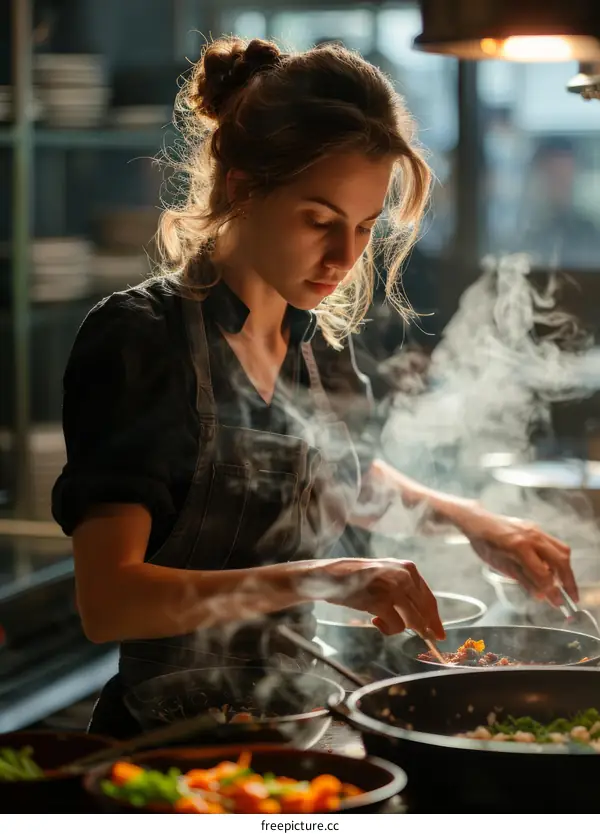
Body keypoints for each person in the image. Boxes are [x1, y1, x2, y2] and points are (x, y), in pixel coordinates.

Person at [52, 37, 576, 738]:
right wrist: (323, 576)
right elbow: (108, 601)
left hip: (299, 726)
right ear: (242, 188)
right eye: (319, 221)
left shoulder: (317, 343)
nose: (344, 257)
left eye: (363, 228)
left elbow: (345, 479)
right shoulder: (141, 339)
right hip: (162, 746)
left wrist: (473, 519)